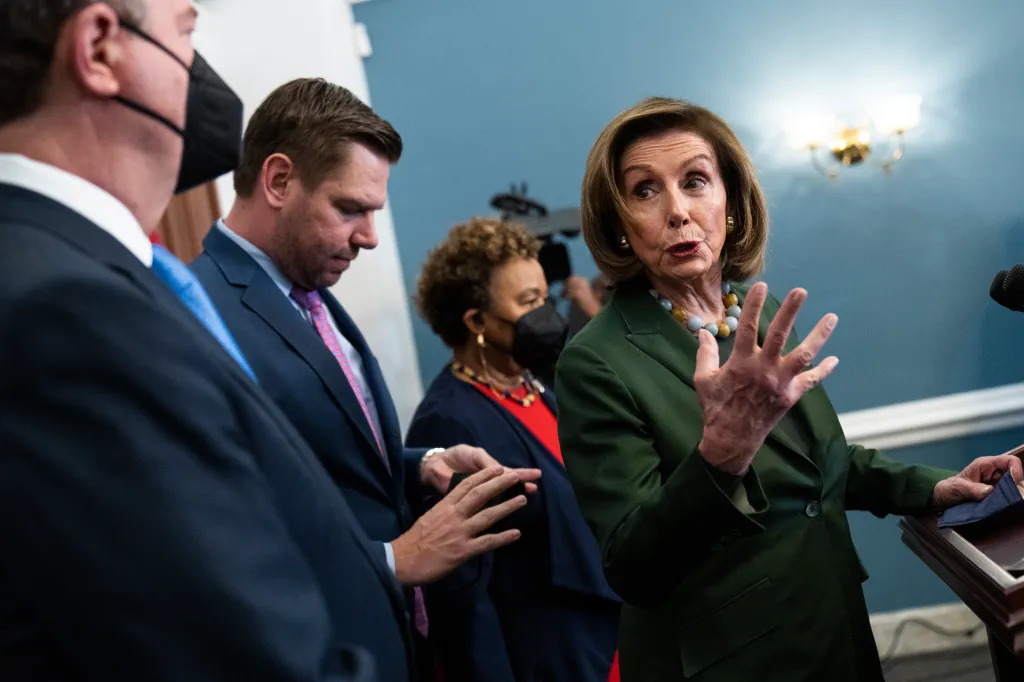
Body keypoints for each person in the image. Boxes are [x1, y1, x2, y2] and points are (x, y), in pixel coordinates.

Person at [0, 3, 529, 680]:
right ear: (101, 47)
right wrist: (396, 558)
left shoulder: (287, 297)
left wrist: (414, 463)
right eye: (186, 33)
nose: (204, 75)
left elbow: (269, 454)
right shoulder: (74, 304)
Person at [554, 96, 1023, 682]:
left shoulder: (756, 312)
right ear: (619, 224)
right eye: (645, 190)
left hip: (832, 623)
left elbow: (819, 464)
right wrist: (721, 455)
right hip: (728, 660)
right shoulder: (595, 363)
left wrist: (935, 489)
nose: (677, 210)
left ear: (730, 202)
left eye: (696, 180)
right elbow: (633, 566)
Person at [190, 78, 542, 680]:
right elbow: (217, 525)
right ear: (278, 180)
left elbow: (312, 455)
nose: (369, 237)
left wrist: (418, 461)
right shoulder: (201, 310)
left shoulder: (305, 290)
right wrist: (389, 559)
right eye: (350, 209)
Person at [406, 217, 621, 682]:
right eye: (529, 303)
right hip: (549, 657)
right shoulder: (447, 422)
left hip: (611, 638)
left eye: (545, 297)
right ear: (476, 320)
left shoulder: (537, 385)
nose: (547, 314)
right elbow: (465, 596)